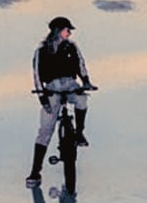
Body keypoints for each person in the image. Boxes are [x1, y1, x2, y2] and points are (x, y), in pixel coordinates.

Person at [26, 16, 95, 187]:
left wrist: (85, 81)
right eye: (67, 29)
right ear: (58, 31)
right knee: (46, 130)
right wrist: (43, 98)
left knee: (82, 100)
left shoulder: (72, 47)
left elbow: (81, 65)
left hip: (70, 85)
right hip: (52, 89)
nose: (70, 33)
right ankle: (35, 172)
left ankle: (79, 133)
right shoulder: (41, 51)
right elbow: (36, 75)